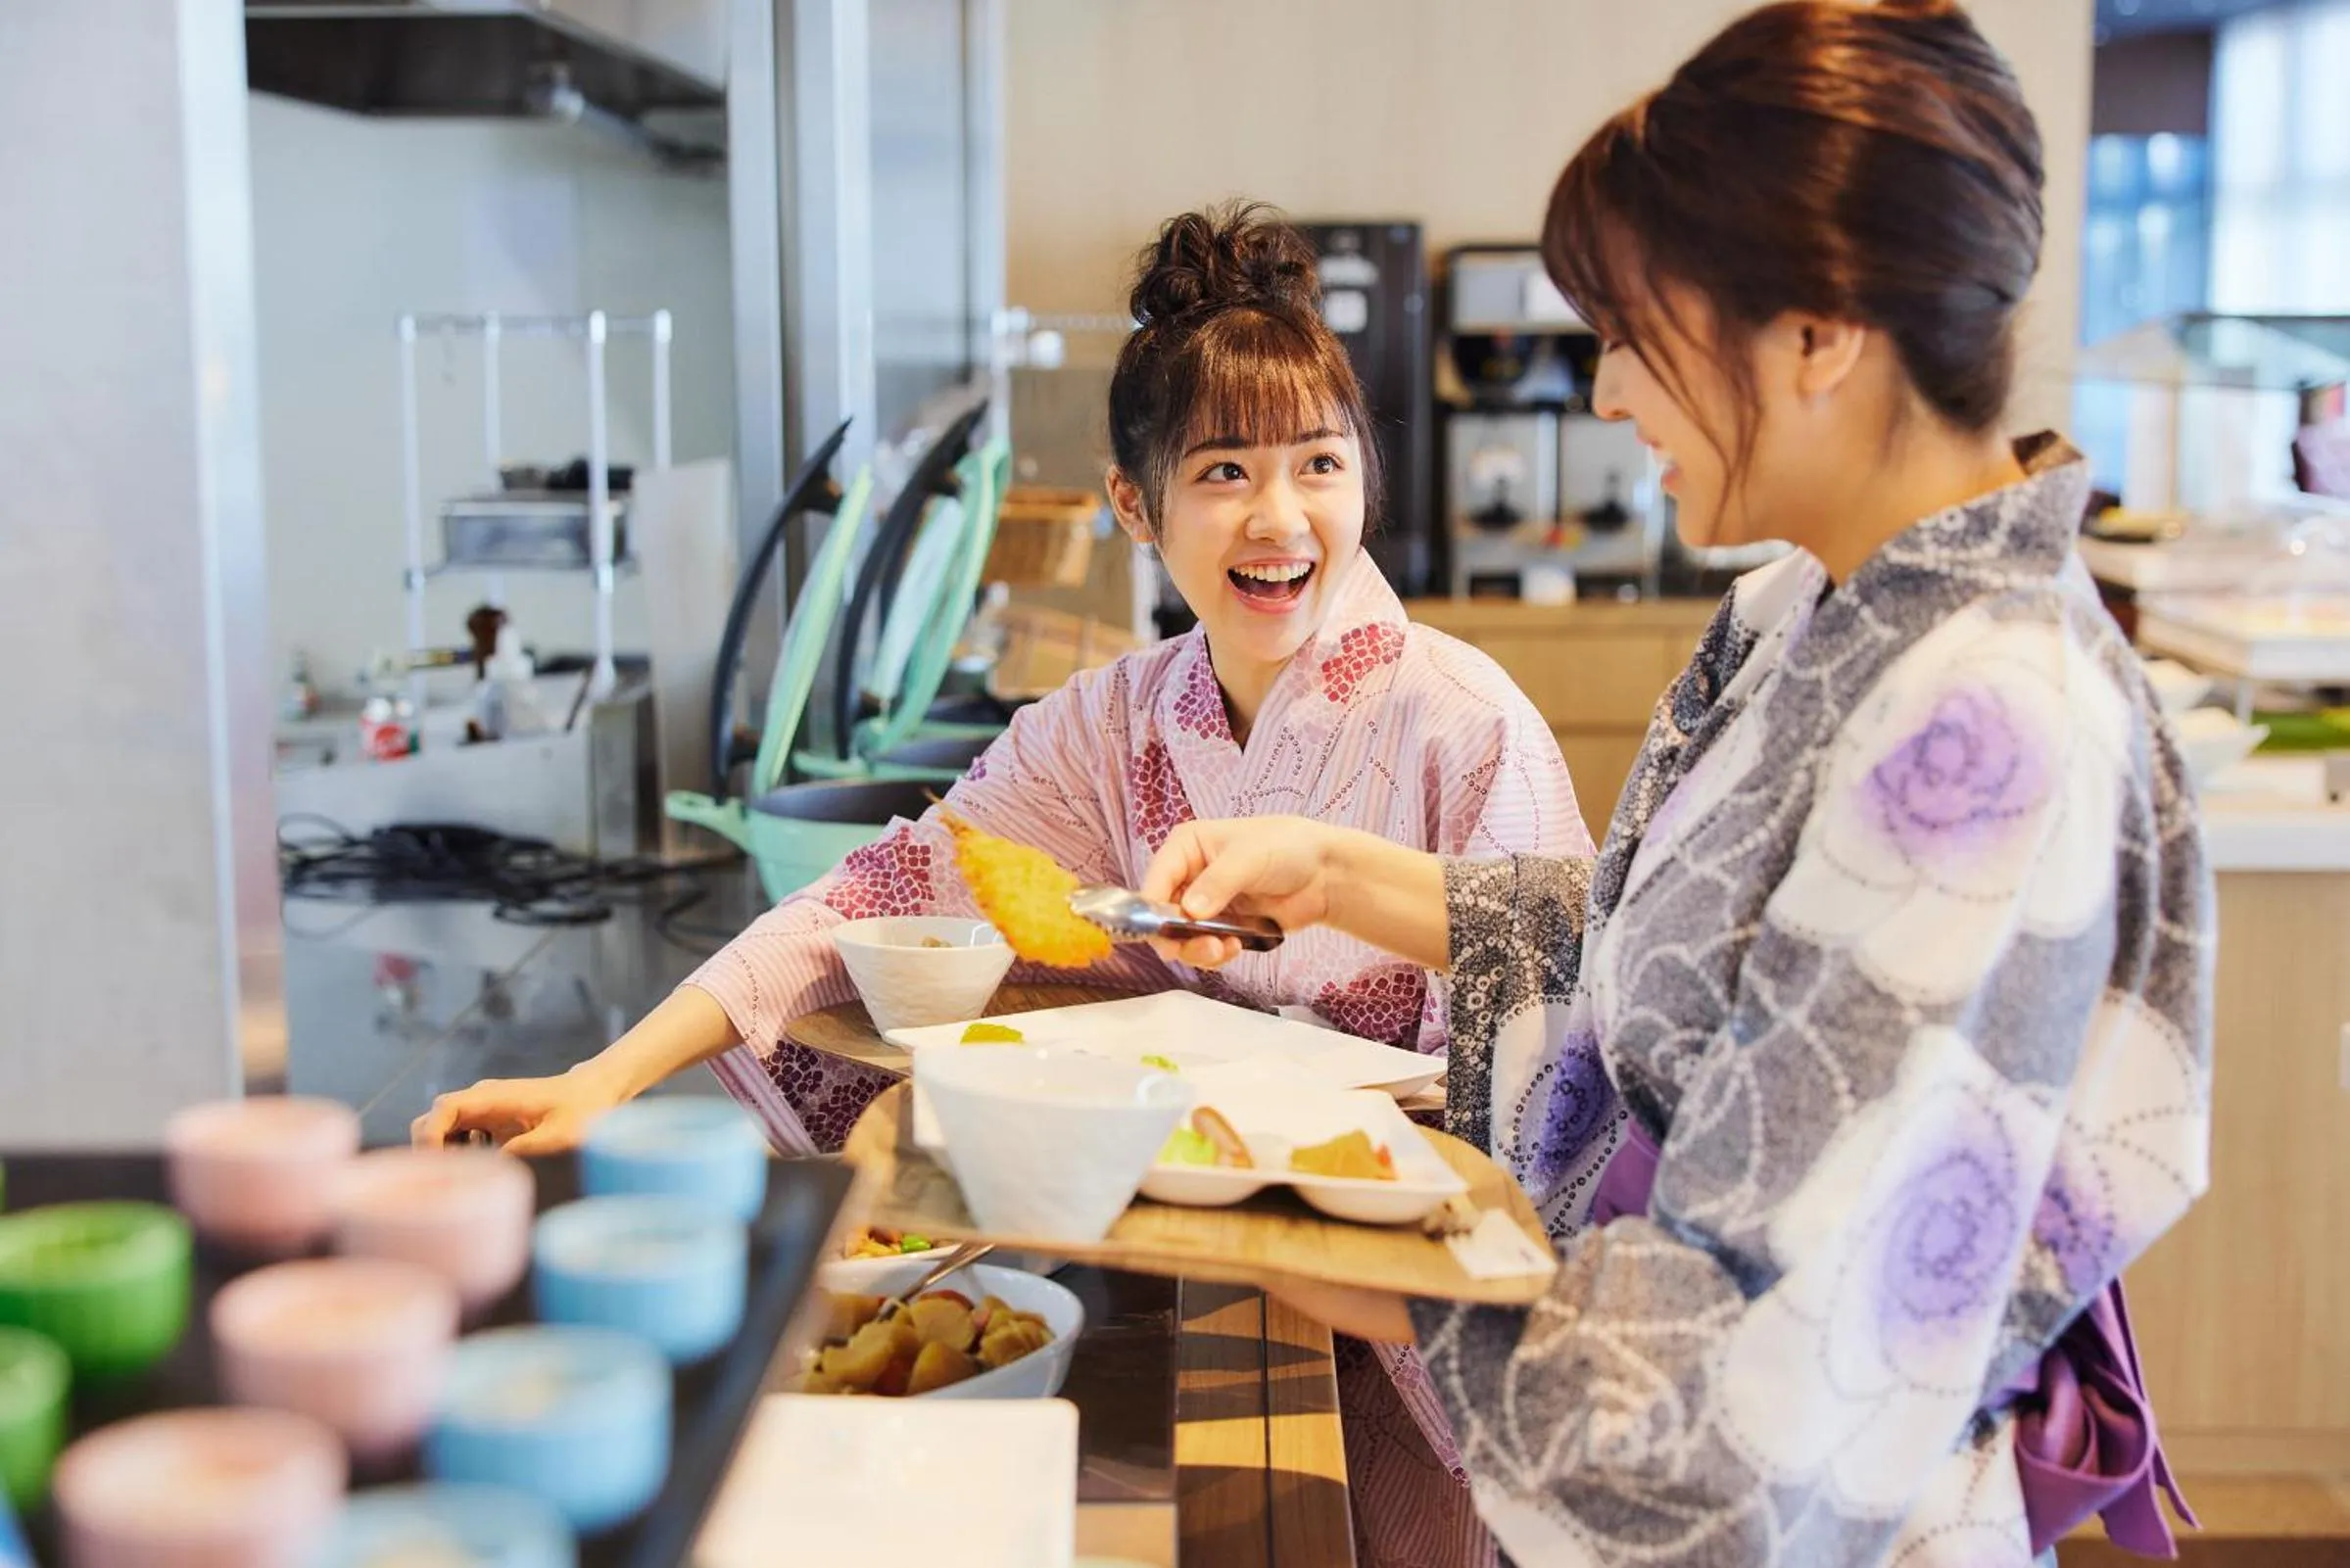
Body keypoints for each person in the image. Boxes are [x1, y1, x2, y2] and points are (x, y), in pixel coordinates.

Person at [1137, 6, 2213, 1565]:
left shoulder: (1984, 728)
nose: (1603, 396)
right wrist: (1341, 876)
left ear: (1814, 331)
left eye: (1637, 334)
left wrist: (1276, 1229)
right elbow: (1706, 967)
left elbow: (1752, 1381)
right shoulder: (1811, 604)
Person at [417, 204, 1589, 1568]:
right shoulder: (1110, 724)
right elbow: (887, 893)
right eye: (1222, 472)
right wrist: (605, 1081)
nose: (1280, 519)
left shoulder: (1465, 722)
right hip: (1196, 1250)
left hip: (1402, 1305)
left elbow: (1550, 1067)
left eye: (1318, 464)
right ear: (1133, 504)